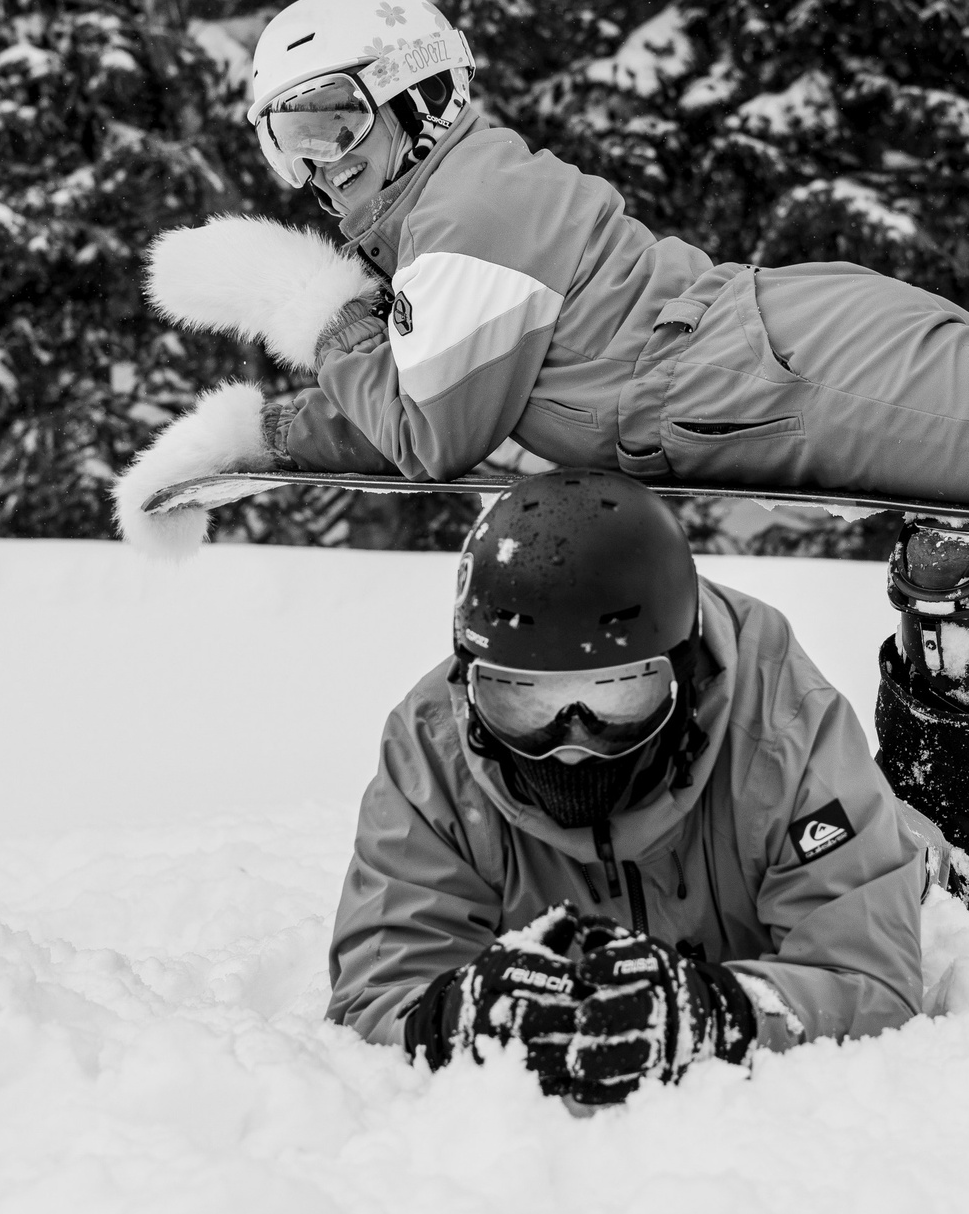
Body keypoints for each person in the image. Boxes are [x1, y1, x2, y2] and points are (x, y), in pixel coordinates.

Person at [118, 0, 969, 893]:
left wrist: (304, 304)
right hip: (779, 364)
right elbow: (416, 404)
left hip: (799, 377)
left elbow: (429, 430)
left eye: (328, 121)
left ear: (414, 96)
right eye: (283, 141)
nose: (312, 165)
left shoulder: (469, 213)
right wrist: (245, 438)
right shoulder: (442, 230)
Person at [327, 467, 930, 1104]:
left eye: (616, 696)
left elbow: (870, 980)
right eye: (523, 701)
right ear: (473, 688)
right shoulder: (437, 752)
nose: (571, 744)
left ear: (684, 673)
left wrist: (724, 1013)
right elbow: (378, 992)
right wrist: (448, 1017)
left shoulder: (780, 727)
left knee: (920, 864)